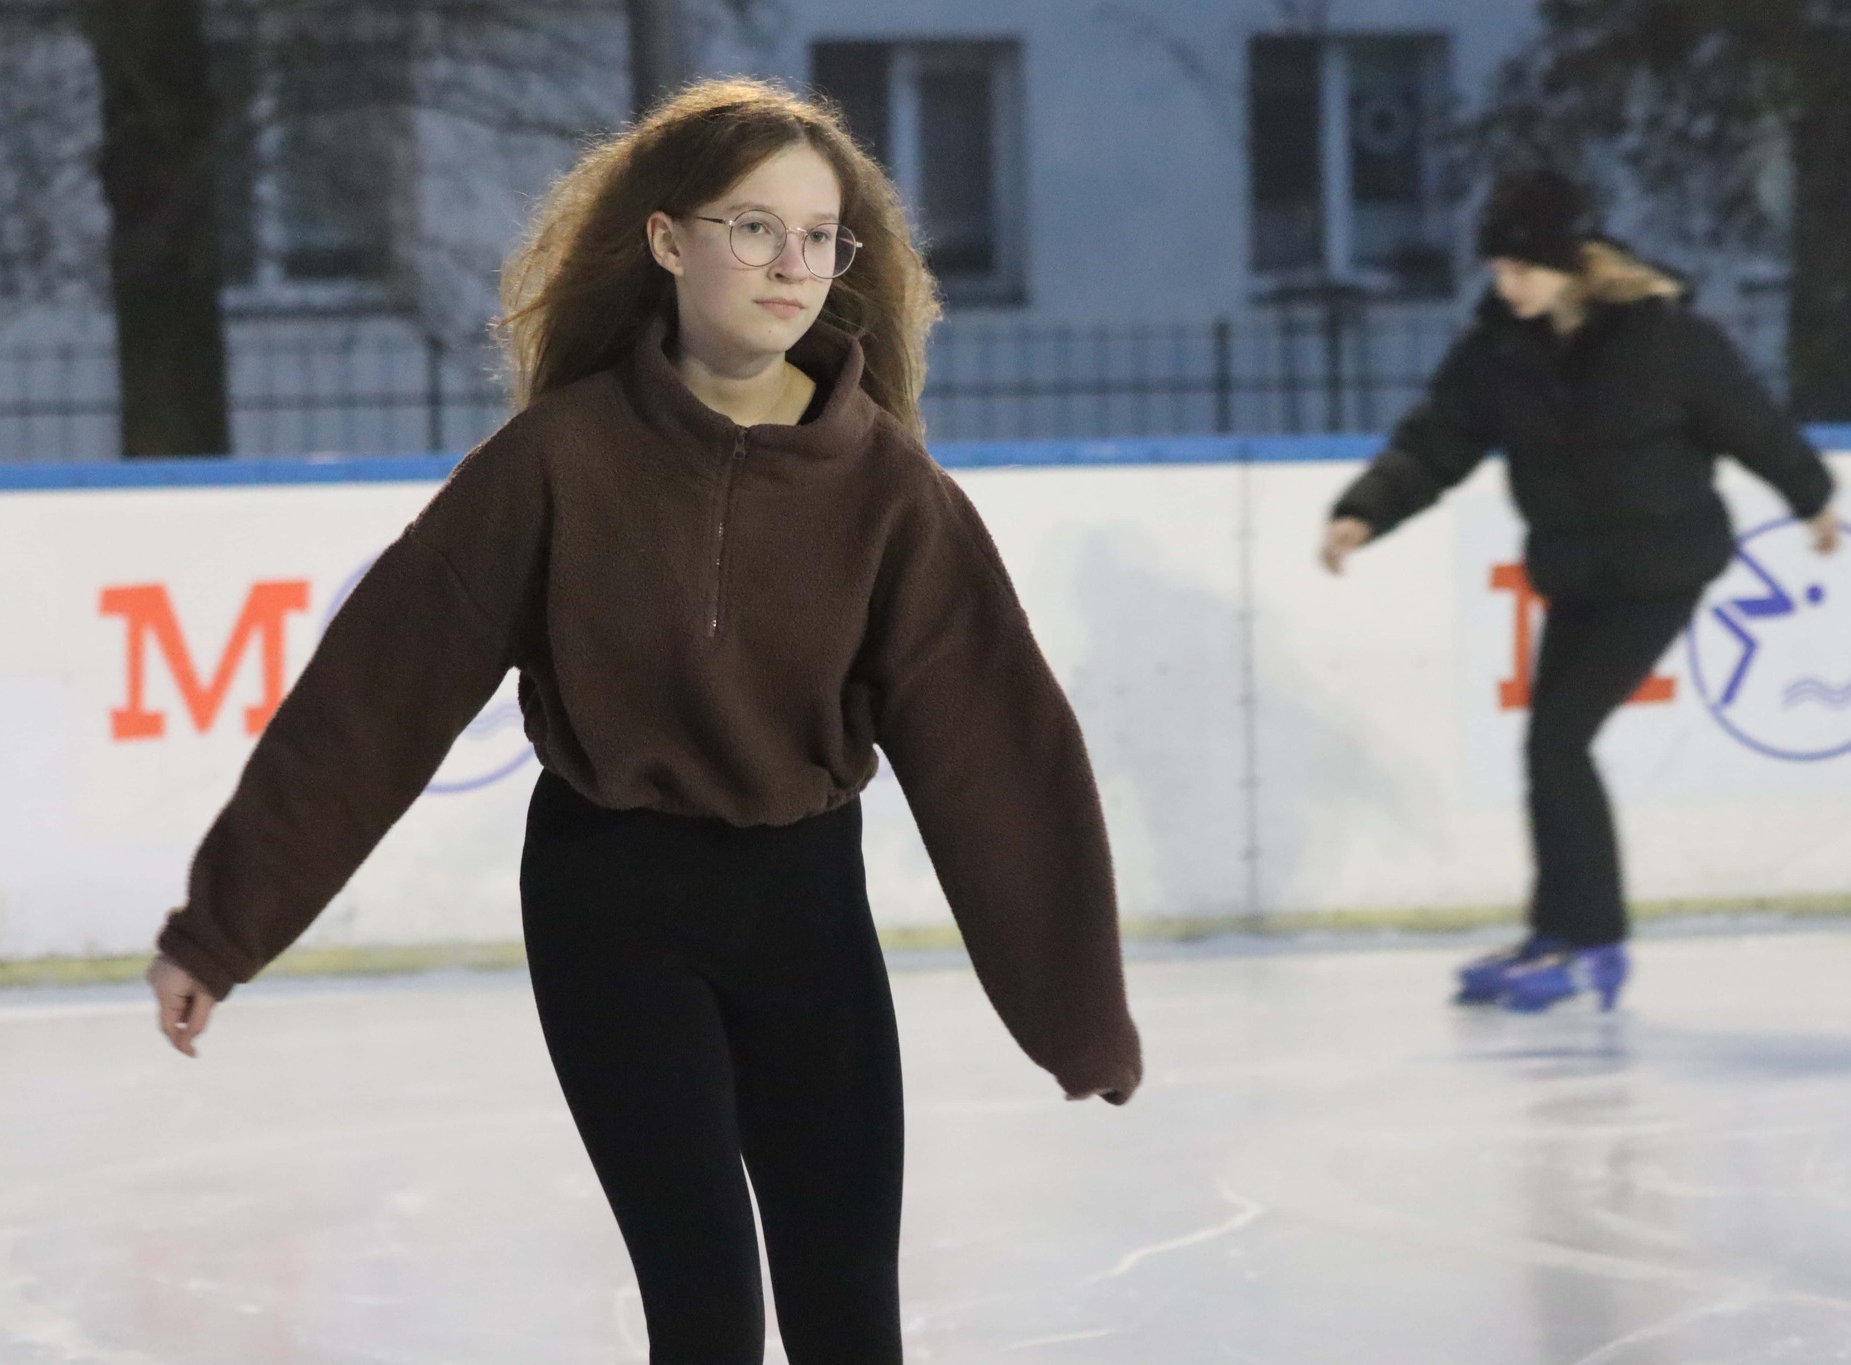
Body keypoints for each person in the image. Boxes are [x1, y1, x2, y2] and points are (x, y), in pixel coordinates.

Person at [142, 78, 1141, 1364]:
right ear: (667, 240)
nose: (792, 265)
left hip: (804, 916)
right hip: (610, 909)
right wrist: (223, 929)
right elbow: (372, 700)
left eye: (819, 236)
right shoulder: (558, 461)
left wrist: (1077, 1012)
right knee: (705, 1306)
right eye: (751, 228)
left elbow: (999, 758)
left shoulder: (890, 492)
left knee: (849, 1316)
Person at [1320, 168, 1838, 1014]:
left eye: (1521, 268)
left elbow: (1753, 422)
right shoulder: (1497, 353)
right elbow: (1434, 443)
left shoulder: (1663, 338)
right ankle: (1557, 932)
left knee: (1560, 740)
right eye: (1496, 270)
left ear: (1570, 264)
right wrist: (1364, 513)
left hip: (1662, 569)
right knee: (1547, 747)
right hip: (1578, 573)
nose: (1506, 283)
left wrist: (1810, 496)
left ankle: (1594, 942)